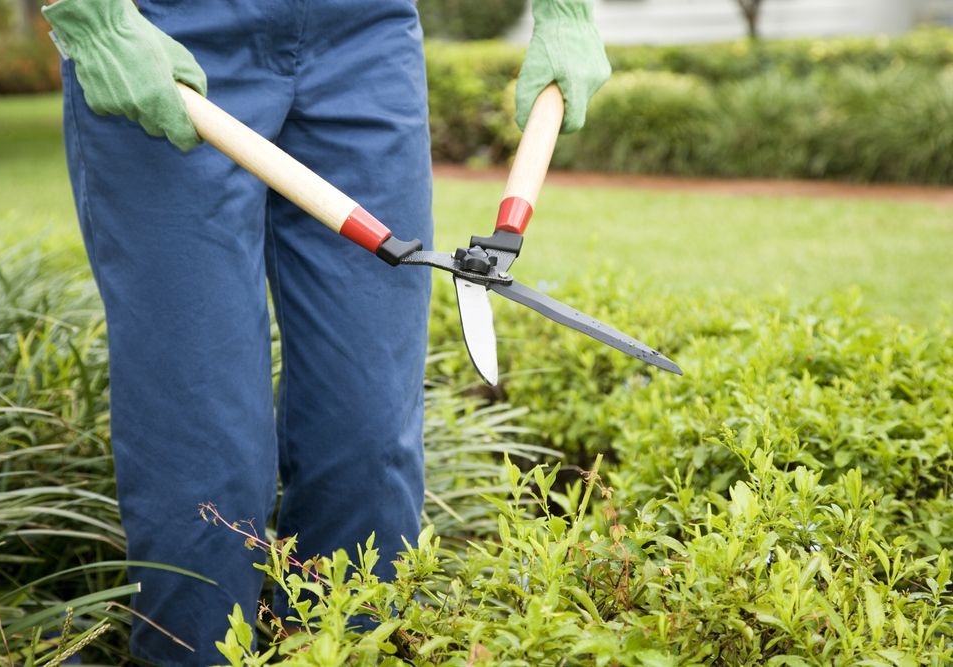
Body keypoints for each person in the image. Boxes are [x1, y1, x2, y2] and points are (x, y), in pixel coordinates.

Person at [40, 0, 610, 663]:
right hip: (171, 31)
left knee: (369, 431)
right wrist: (94, 15)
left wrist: (566, 8)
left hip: (364, 34)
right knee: (201, 442)